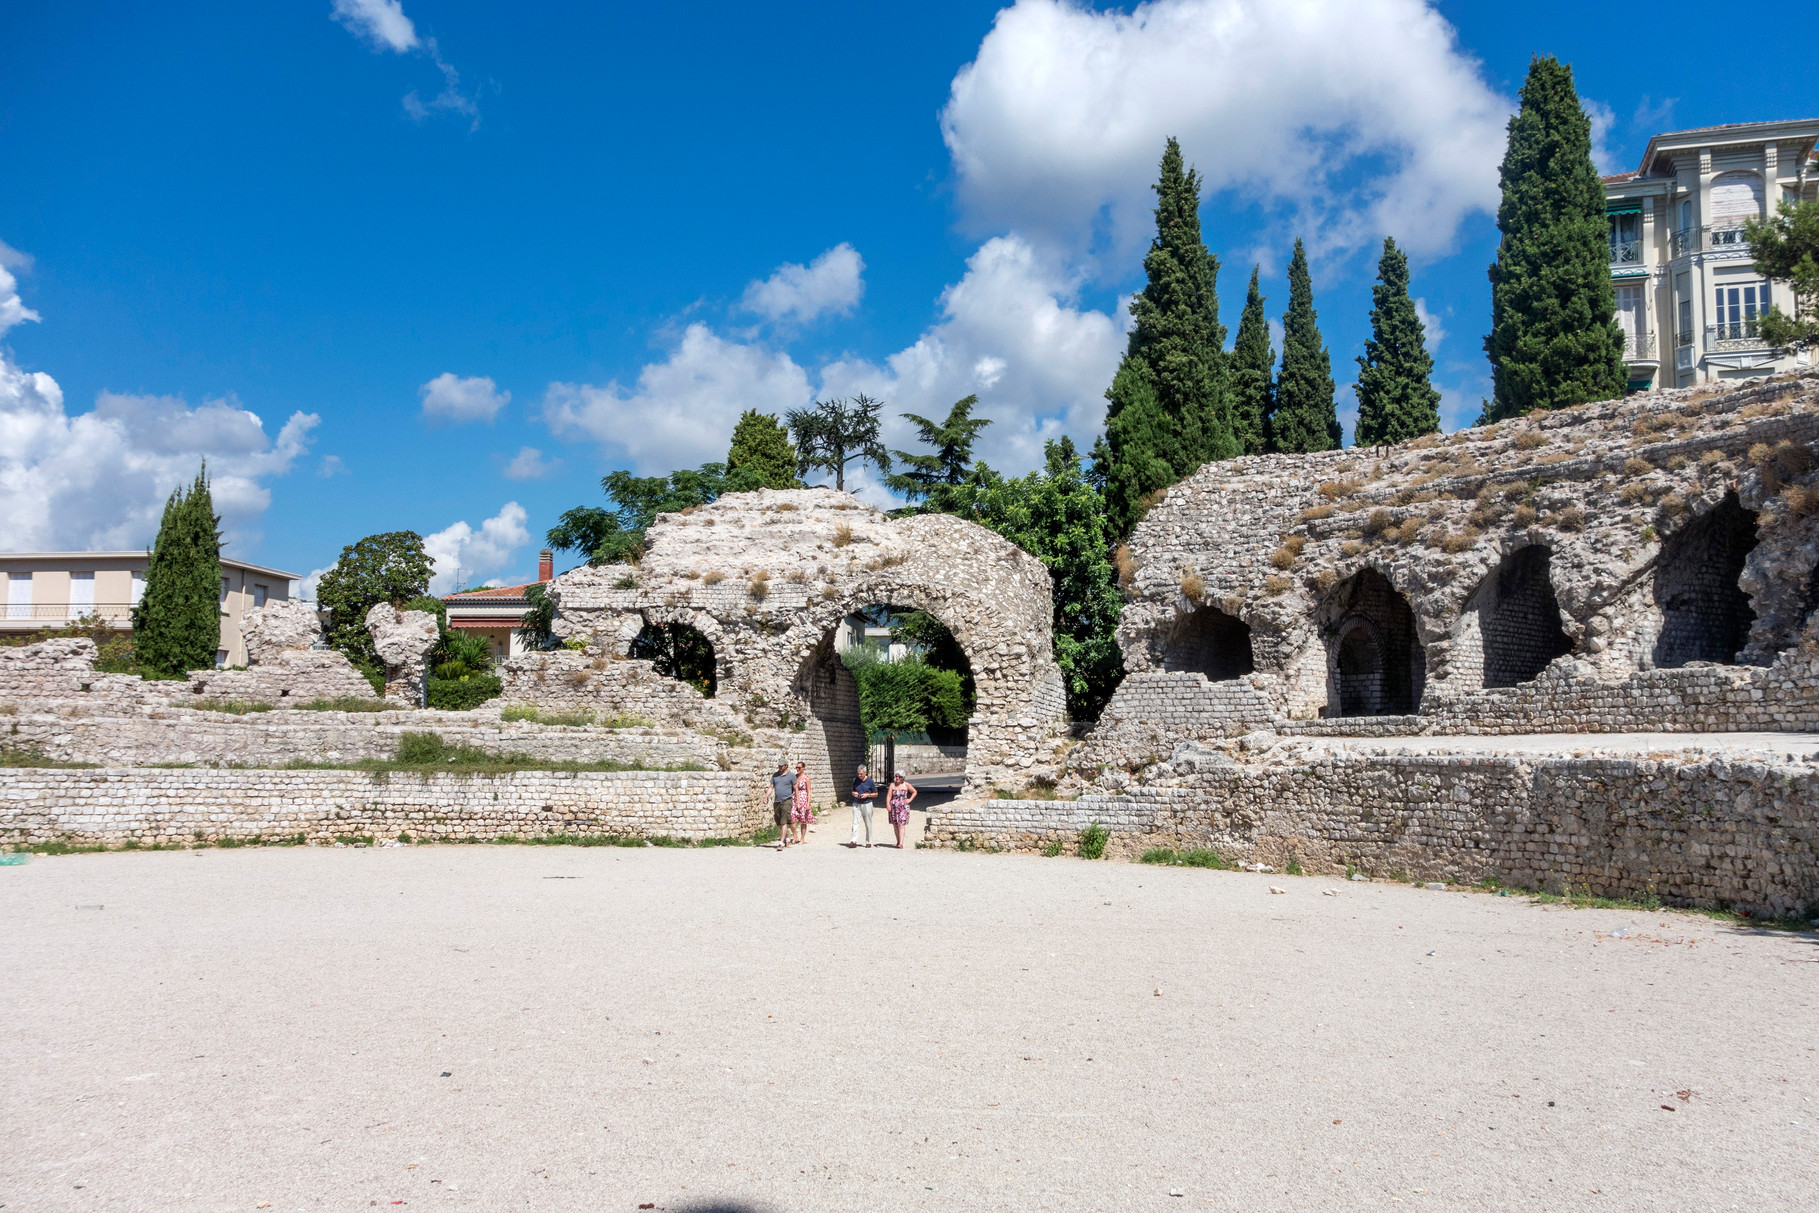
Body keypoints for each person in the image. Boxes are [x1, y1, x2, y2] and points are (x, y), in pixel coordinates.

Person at [885, 771, 917, 850]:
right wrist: (888, 805)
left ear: (903, 778)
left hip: (903, 807)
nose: (897, 778)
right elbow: (889, 796)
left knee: (901, 824)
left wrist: (910, 799)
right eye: (896, 776)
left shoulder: (906, 785)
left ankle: (901, 843)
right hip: (894, 807)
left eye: (899, 777)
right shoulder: (892, 785)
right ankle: (898, 841)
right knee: (895, 825)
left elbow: (914, 792)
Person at [849, 764, 879, 848]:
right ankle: (853, 840)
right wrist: (854, 793)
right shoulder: (855, 780)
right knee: (855, 822)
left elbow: (876, 793)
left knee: (868, 823)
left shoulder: (870, 781)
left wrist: (868, 795)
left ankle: (868, 841)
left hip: (867, 803)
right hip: (857, 803)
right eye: (858, 773)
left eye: (861, 774)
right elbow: (853, 790)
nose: (859, 775)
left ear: (865, 773)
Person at [769, 762, 796, 848]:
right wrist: (766, 796)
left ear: (786, 766)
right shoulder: (775, 775)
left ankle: (781, 843)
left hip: (787, 800)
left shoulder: (791, 776)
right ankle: (787, 838)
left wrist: (798, 802)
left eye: (782, 766)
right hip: (777, 801)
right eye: (779, 765)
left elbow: (796, 789)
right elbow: (771, 787)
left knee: (783, 821)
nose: (780, 767)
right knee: (778, 822)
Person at [789, 761, 813, 846]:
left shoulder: (806, 778)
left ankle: (802, 838)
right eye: (796, 767)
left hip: (803, 799)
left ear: (803, 768)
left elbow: (809, 791)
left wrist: (808, 803)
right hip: (794, 799)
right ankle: (795, 836)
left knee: (803, 820)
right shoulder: (794, 777)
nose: (797, 769)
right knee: (791, 817)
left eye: (799, 767)